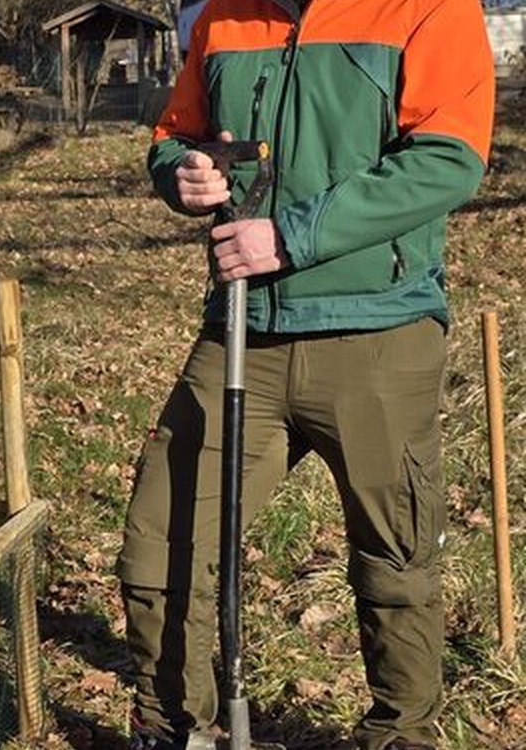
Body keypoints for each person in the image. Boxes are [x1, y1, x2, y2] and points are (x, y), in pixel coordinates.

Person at [116, 0, 494, 747]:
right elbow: (176, 135)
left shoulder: (429, 7)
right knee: (161, 541)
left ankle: (401, 735)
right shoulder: (223, 16)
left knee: (395, 562)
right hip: (241, 330)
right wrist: (181, 173)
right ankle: (174, 729)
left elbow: (449, 157)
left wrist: (292, 236)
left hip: (379, 329)